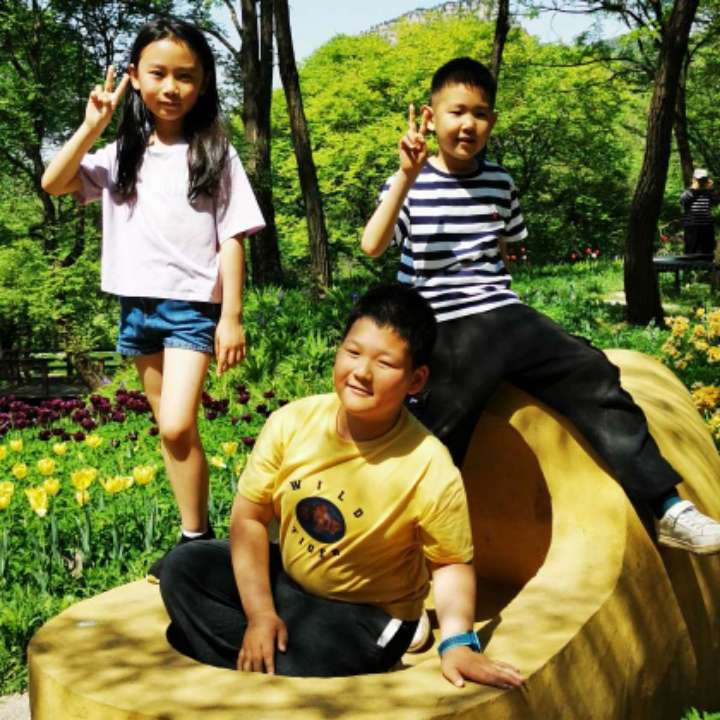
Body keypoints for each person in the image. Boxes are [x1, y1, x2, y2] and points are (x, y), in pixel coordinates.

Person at [361, 57, 720, 555]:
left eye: (480, 114)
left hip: (504, 314)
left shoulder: (500, 182)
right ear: (430, 116)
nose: (468, 124)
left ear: (492, 122)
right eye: (457, 111)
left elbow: (504, 246)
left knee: (591, 368)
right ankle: (395, 545)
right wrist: (406, 174)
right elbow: (373, 245)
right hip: (441, 319)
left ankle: (666, 506)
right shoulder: (411, 180)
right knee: (445, 417)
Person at [160, 284, 525, 689]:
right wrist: (261, 614)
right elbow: (249, 518)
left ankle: (259, 661)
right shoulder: (292, 422)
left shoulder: (429, 465)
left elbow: (450, 562)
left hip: (365, 618)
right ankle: (273, 656)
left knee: (310, 661)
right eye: (353, 352)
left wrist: (457, 643)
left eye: (384, 363)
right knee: (185, 567)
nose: (361, 372)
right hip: (290, 588)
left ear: (416, 379)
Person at [41, 18, 265, 580]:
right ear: (135, 78)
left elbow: (233, 236)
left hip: (191, 307)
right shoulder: (122, 154)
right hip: (136, 308)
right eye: (158, 73)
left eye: (185, 76)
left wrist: (231, 316)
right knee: (174, 430)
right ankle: (195, 539)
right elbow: (54, 182)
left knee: (175, 424)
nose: (171, 87)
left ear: (203, 82)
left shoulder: (216, 153)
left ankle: (202, 540)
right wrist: (92, 125)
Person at [680, 168, 718, 256]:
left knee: (708, 252)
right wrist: (694, 189)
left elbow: (716, 201)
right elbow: (682, 201)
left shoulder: (708, 193)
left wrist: (711, 189)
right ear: (694, 180)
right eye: (699, 180)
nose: (701, 182)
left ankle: (707, 264)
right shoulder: (688, 192)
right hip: (692, 227)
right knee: (691, 252)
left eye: (703, 180)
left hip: (707, 226)